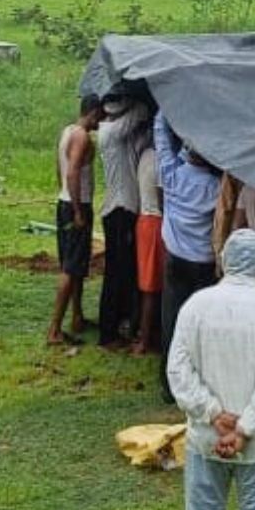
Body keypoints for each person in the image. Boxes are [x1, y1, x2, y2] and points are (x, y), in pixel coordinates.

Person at [167, 230, 255, 510]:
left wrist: (213, 414)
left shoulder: (195, 306)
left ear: (223, 263)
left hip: (207, 437)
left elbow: (178, 371)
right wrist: (245, 429)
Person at [154, 108, 222, 398]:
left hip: (176, 259)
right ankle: (198, 384)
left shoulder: (170, 173)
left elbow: (160, 136)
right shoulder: (217, 187)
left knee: (171, 320)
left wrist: (168, 107)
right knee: (201, 326)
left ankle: (170, 384)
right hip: (205, 264)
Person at [48, 96, 102, 346]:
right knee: (70, 268)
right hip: (75, 205)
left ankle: (77, 316)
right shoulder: (81, 136)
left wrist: (64, 195)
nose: (103, 119)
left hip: (65, 202)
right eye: (101, 114)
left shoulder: (67, 131)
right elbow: (72, 172)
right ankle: (54, 329)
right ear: (92, 112)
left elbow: (59, 169)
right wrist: (78, 210)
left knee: (77, 264)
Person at [97, 99, 149, 350]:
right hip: (120, 209)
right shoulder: (110, 132)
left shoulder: (120, 136)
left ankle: (119, 324)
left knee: (124, 272)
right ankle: (108, 333)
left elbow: (141, 140)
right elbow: (140, 111)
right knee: (116, 274)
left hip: (123, 208)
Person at [133, 142, 164, 356]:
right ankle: (145, 339)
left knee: (148, 283)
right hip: (156, 222)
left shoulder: (144, 153)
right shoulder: (163, 160)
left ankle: (145, 333)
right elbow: (163, 200)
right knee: (153, 286)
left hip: (144, 219)